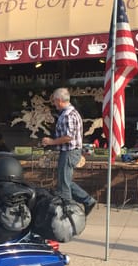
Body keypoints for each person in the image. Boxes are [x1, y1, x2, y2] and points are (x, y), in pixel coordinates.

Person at [41, 87, 97, 215]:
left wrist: (51, 142)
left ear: (59, 100)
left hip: (69, 152)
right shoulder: (71, 113)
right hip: (70, 151)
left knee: (63, 185)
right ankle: (87, 200)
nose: (54, 104)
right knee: (64, 181)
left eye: (54, 101)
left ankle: (68, 213)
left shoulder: (68, 115)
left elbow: (68, 136)